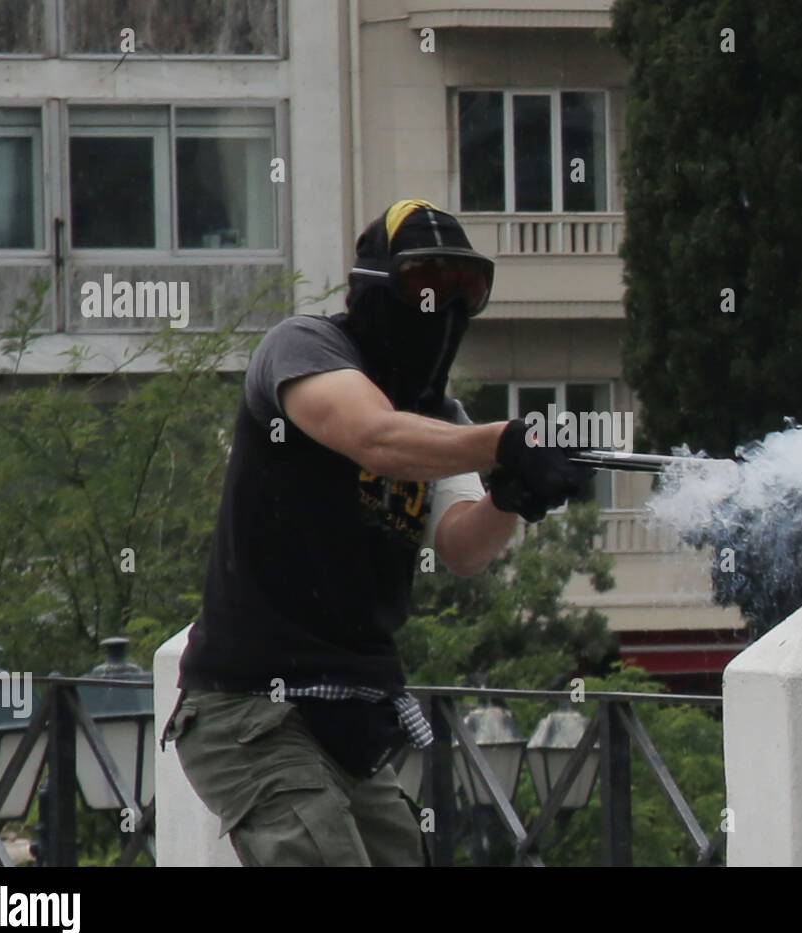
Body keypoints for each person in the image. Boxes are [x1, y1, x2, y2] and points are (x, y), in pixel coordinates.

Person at [162, 199, 593, 866]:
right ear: (376, 286)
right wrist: (503, 443)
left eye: (464, 290)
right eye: (425, 283)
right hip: (249, 712)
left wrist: (510, 498)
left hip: (350, 723)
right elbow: (374, 439)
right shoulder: (303, 349)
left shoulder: (438, 419)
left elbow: (462, 547)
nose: (442, 308)